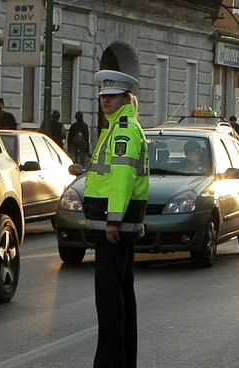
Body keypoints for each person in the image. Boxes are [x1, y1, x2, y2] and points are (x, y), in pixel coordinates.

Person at [85, 70, 150, 368]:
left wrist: (113, 219)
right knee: (120, 295)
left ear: (126, 98)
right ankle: (122, 361)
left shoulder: (123, 129)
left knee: (110, 301)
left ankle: (111, 362)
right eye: (102, 96)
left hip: (114, 227)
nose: (105, 101)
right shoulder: (116, 127)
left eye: (111, 96)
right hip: (115, 225)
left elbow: (122, 177)